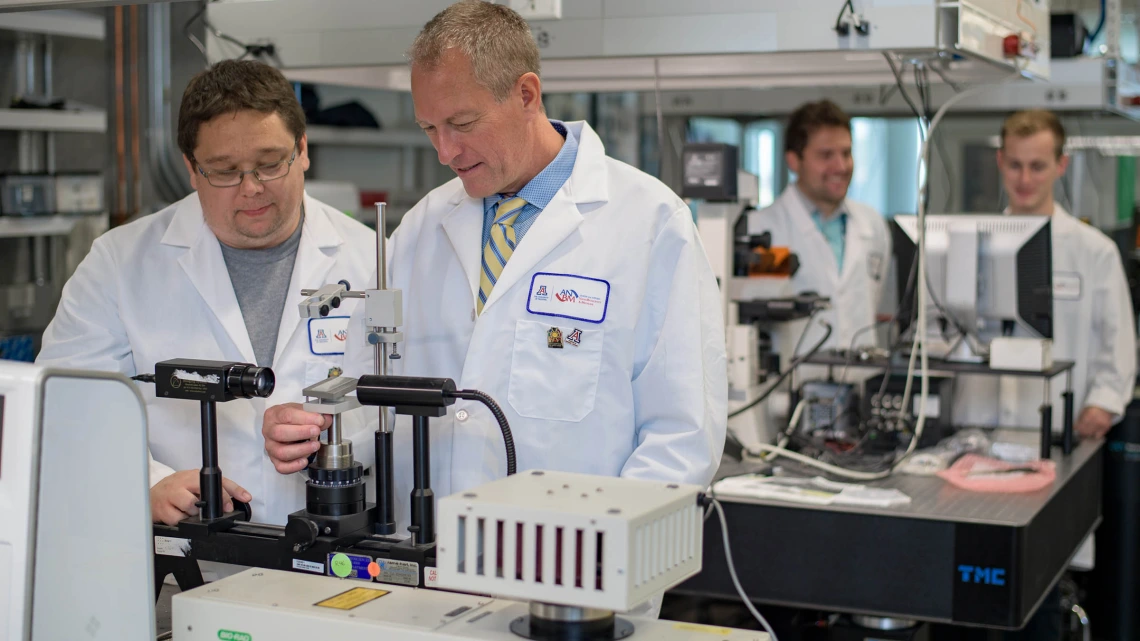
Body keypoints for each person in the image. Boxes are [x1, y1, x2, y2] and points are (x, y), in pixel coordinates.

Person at [263, 0, 727, 532]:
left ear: (525, 94)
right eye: (430, 128)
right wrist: (312, 427)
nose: (444, 151)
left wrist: (606, 553)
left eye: (462, 123)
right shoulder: (422, 226)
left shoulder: (649, 222)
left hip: (575, 572)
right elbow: (363, 385)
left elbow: (682, 437)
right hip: (426, 560)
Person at [35, 60, 377, 527]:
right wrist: (146, 482)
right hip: (185, 560)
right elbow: (65, 406)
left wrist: (336, 431)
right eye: (224, 171)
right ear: (191, 169)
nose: (252, 188)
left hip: (336, 553)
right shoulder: (120, 263)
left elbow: (411, 405)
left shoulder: (373, 260)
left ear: (302, 148)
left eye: (270, 164)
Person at [954, 110, 1136, 439]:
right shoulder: (968, 245)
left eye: (1037, 166)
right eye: (1015, 165)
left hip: (1059, 432)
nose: (1025, 180)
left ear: (1060, 165)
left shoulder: (1095, 251)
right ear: (999, 161)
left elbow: (1119, 346)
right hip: (977, 432)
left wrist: (1101, 406)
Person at [746, 100, 892, 352]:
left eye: (846, 153)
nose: (841, 166)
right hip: (795, 382)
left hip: (861, 380)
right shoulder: (763, 230)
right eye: (826, 155)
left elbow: (873, 302)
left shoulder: (872, 225)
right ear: (794, 161)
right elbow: (762, 309)